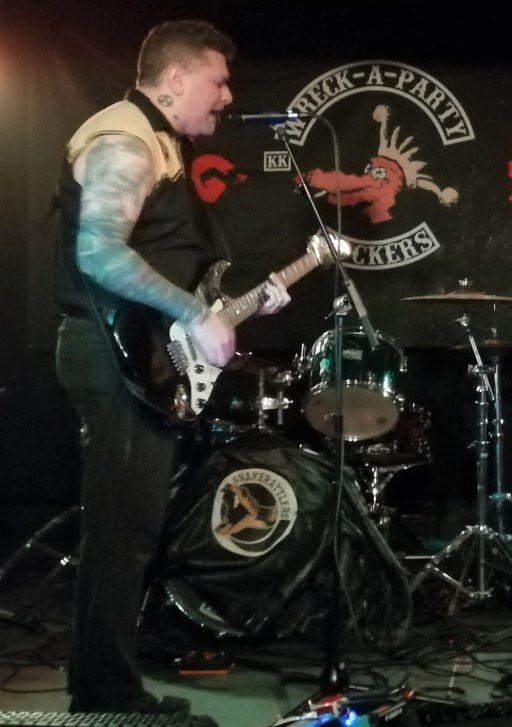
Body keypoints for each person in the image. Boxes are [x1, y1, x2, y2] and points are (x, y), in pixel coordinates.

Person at [53, 20, 290, 717]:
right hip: (110, 357)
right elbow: (99, 253)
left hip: (137, 355)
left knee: (131, 531)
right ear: (177, 78)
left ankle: (105, 686)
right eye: (218, 81)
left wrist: (234, 304)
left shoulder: (162, 144)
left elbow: (165, 259)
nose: (227, 95)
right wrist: (194, 314)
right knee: (120, 534)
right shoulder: (125, 140)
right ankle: (104, 697)